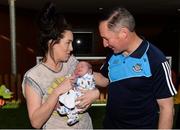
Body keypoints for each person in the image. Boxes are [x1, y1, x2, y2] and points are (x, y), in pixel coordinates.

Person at [21, 2, 100, 129]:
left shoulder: (71, 62)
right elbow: (36, 122)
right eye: (68, 43)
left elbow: (98, 80)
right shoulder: (34, 77)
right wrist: (57, 91)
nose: (72, 48)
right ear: (51, 43)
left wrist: (95, 92)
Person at [98, 7, 177, 129]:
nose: (104, 44)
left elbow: (167, 108)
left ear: (123, 33)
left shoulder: (156, 59)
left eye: (106, 38)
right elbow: (104, 80)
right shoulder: (114, 55)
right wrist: (84, 70)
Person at [57, 61, 95, 126]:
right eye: (76, 68)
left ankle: (67, 110)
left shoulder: (89, 78)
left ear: (89, 71)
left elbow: (86, 84)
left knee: (72, 102)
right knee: (70, 101)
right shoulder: (78, 78)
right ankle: (72, 116)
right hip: (77, 98)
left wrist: (77, 80)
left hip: (83, 99)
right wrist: (70, 78)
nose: (78, 68)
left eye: (82, 66)